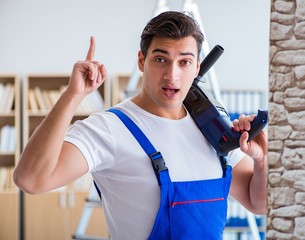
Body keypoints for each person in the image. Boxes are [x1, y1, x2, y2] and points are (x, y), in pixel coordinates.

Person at [14, 11, 267, 239]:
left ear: (198, 66)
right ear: (141, 61)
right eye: (160, 59)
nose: (172, 75)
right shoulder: (109, 129)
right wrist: (73, 96)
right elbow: (31, 180)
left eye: (185, 62)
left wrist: (261, 160)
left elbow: (259, 203)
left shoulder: (212, 128)